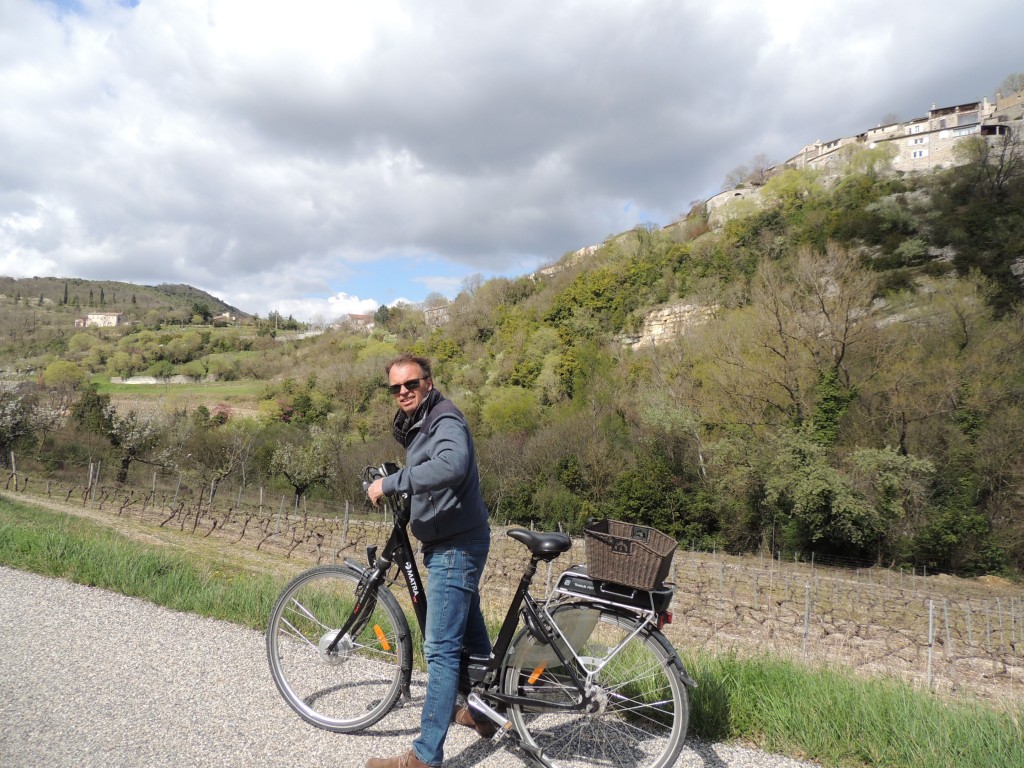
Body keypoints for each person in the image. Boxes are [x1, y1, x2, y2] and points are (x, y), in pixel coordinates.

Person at [365, 354, 493, 768]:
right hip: (454, 539)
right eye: (395, 388)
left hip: (456, 546)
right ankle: (485, 713)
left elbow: (451, 464)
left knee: (440, 651)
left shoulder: (444, 417)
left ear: (428, 382)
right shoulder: (421, 420)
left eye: (411, 384)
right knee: (471, 641)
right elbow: (429, 466)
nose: (403, 392)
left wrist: (393, 482)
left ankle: (424, 757)